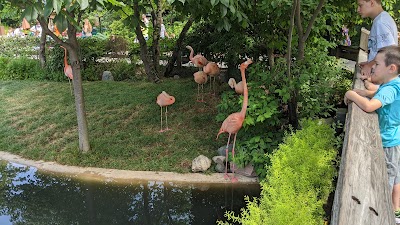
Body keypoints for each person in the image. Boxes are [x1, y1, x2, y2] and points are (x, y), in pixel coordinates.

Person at [344, 46, 400, 222]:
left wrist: (351, 94)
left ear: (391, 68)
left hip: (388, 143)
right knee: (396, 176)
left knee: (385, 180)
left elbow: (369, 106)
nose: (373, 67)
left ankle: (384, 214)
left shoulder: (391, 89)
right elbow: (378, 92)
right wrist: (365, 91)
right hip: (394, 140)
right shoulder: (393, 83)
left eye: (376, 63)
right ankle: (395, 210)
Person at [357, 0, 398, 92]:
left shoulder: (380, 22)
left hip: (381, 83)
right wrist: (370, 63)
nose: (358, 9)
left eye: (360, 5)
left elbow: (389, 51)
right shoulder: (382, 19)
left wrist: (369, 65)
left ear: (372, 3)